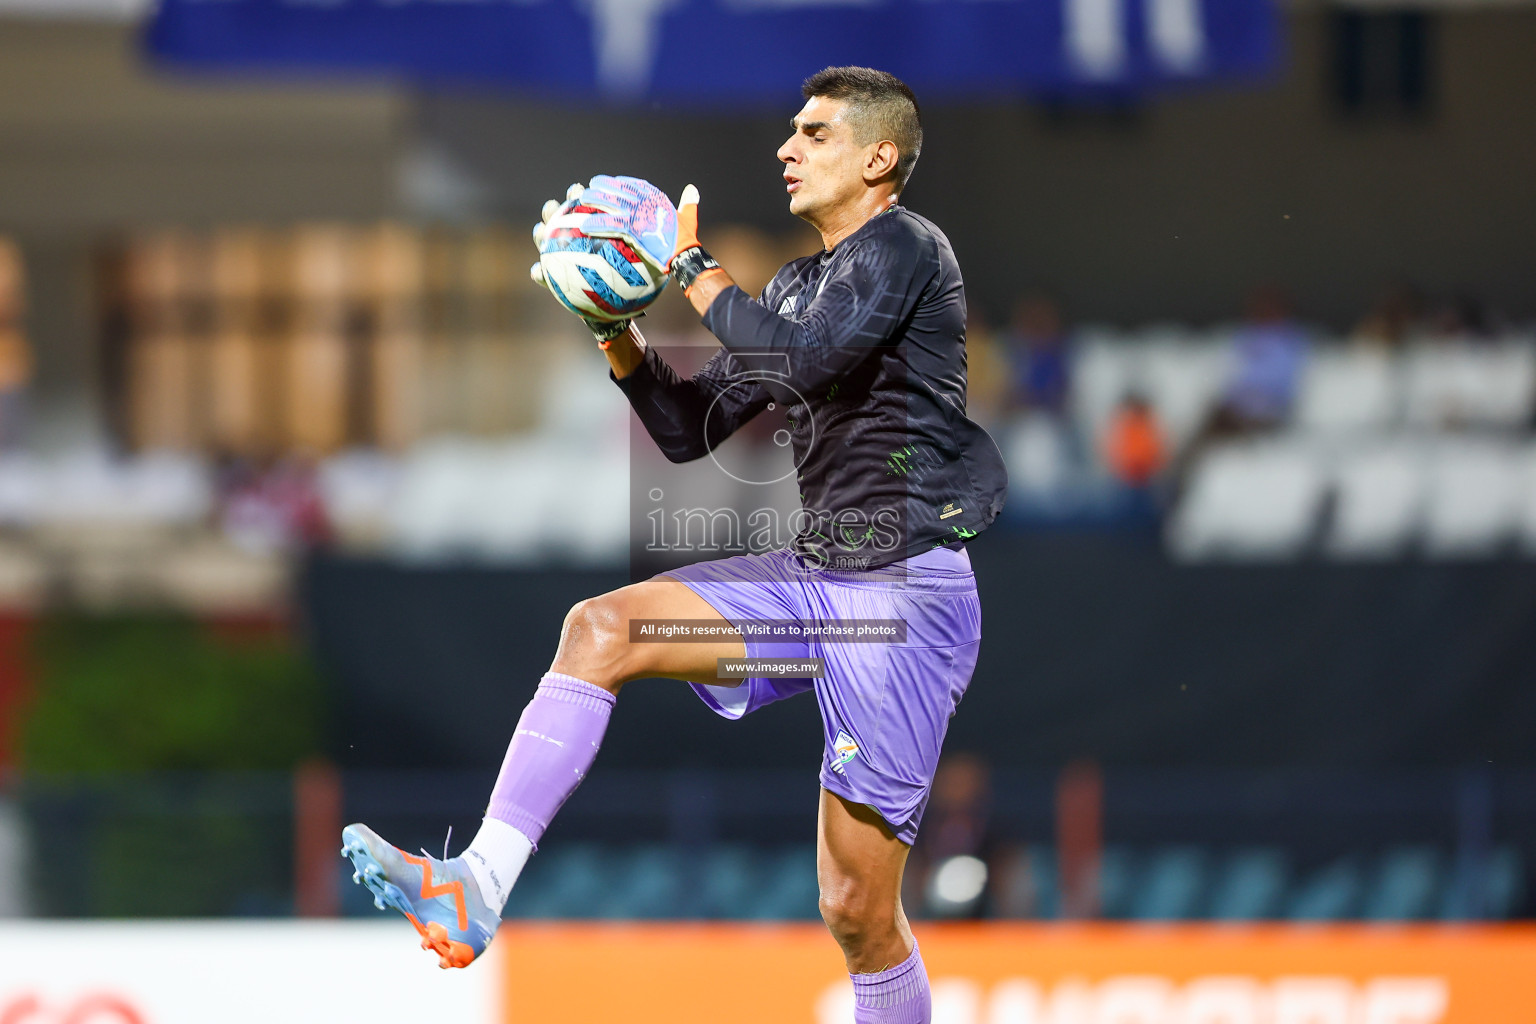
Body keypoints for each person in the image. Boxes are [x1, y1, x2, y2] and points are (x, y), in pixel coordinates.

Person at [341, 66, 1007, 1023]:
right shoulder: (801, 284)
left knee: (856, 912)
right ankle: (476, 883)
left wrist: (690, 270)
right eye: (791, 130)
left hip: (900, 602)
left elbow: (803, 363)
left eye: (813, 134)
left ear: (878, 156)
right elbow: (688, 429)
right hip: (816, 579)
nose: (787, 147)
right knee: (600, 629)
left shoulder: (906, 247)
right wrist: (616, 331)